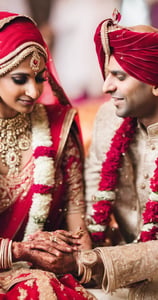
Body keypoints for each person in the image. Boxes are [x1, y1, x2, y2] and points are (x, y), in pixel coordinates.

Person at [54, 9, 158, 300]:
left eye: (119, 76)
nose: (105, 86)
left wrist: (91, 263)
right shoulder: (107, 118)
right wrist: (75, 248)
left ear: (154, 83)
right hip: (114, 278)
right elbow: (90, 204)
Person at [0, 11, 95, 300]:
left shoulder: (59, 128)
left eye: (40, 78)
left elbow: (77, 222)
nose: (34, 90)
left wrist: (81, 264)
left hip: (41, 274)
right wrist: (16, 250)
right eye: (20, 79)